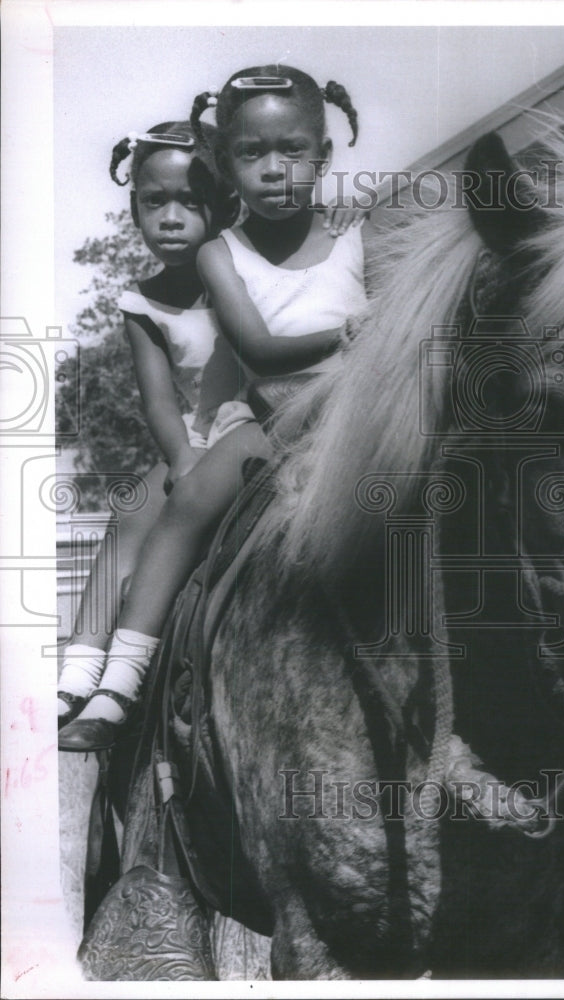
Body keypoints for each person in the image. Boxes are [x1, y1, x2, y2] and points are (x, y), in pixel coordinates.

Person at [59, 65, 370, 752]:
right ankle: (116, 680)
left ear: (322, 157)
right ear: (228, 167)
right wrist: (348, 334)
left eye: (292, 151)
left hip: (359, 421)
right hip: (275, 419)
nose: (273, 169)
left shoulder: (360, 237)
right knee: (184, 497)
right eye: (251, 154)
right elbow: (256, 353)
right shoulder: (218, 254)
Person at [57, 121, 246, 730]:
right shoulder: (142, 301)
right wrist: (181, 455)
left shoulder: (248, 276)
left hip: (251, 429)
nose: (170, 218)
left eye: (191, 203)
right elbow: (159, 400)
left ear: (226, 205)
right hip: (192, 438)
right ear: (134, 205)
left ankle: (125, 674)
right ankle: (81, 665)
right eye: (153, 202)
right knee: (134, 504)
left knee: (185, 504)